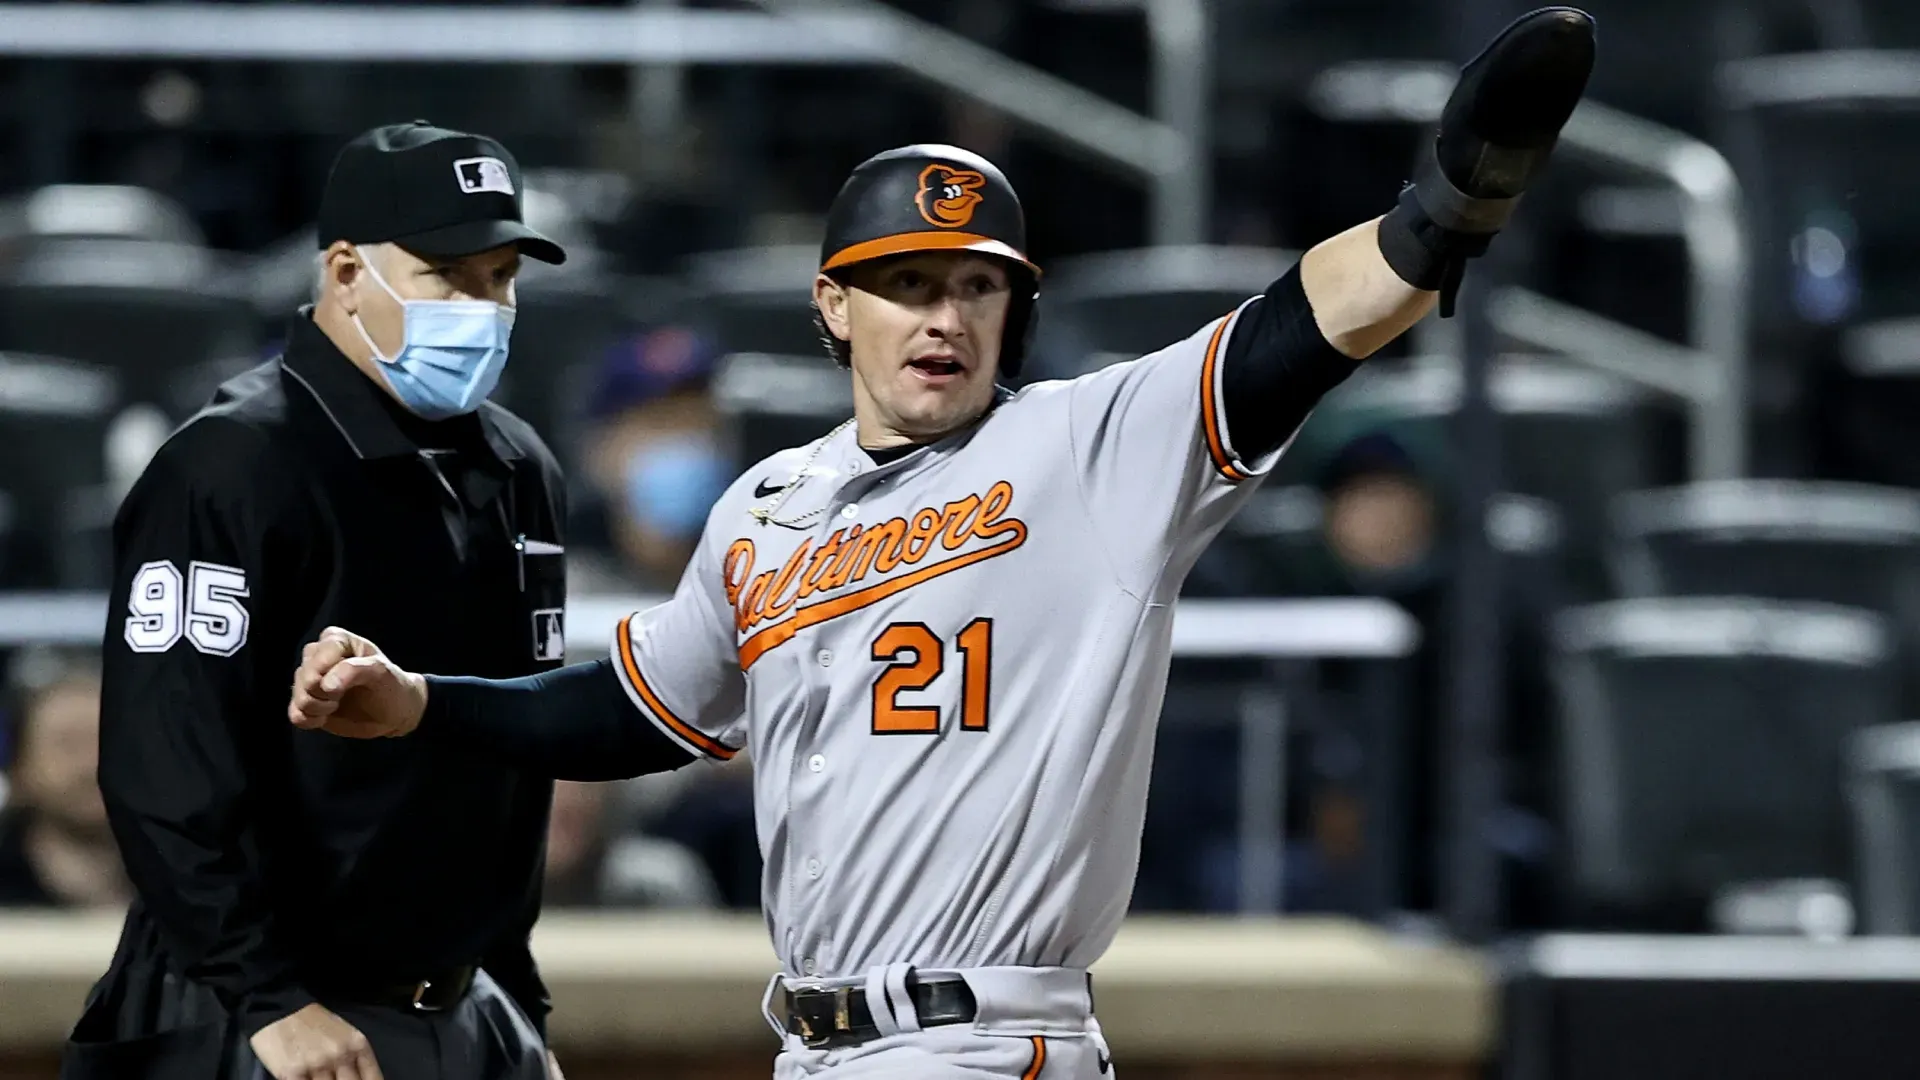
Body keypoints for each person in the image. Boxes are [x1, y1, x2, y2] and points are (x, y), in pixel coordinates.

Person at [288, 14, 1596, 1079]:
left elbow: (1289, 334)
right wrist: (424, 706)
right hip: (812, 1044)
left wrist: (1434, 220)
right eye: (906, 281)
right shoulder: (766, 504)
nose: (944, 314)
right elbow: (637, 710)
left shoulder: (1089, 449)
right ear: (832, 304)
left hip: (986, 1038)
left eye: (976, 284)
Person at [64, 121, 573, 1080]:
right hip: (257, 1021)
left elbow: (509, 762)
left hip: (462, 1008)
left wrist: (513, 991)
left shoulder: (518, 467)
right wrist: (267, 998)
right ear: (346, 273)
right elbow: (163, 764)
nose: (485, 306)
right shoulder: (233, 466)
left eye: (501, 277)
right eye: (449, 276)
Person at [0, 649, 128, 909]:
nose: (91, 765)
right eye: (68, 745)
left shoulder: (194, 879)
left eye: (106, 742)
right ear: (20, 768)